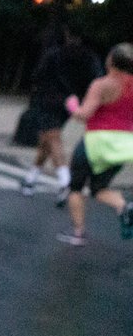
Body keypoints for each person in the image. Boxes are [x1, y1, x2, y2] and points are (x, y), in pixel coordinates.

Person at [57, 42, 133, 246]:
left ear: (111, 61)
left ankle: (78, 233)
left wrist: (72, 105)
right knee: (99, 188)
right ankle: (123, 206)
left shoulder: (102, 84)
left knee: (76, 186)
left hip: (96, 142)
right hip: (124, 145)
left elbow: (84, 115)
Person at [20, 26, 104, 203]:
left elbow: (38, 75)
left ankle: (65, 181)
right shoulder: (89, 57)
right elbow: (96, 78)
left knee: (53, 138)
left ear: (66, 35)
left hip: (49, 100)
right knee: (47, 139)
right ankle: (30, 179)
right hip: (71, 102)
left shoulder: (54, 54)